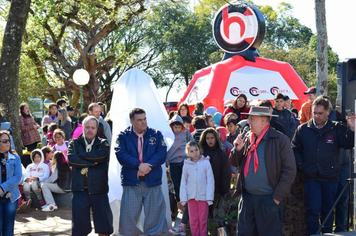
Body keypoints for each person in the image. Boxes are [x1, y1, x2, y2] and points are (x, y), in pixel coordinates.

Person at [292, 96, 355, 235]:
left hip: (330, 177)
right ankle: (313, 234)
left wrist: (351, 129)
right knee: (313, 209)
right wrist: (301, 165)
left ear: (328, 112)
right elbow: (295, 149)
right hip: (311, 176)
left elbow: (347, 144)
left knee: (328, 210)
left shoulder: (337, 128)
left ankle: (327, 234)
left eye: (320, 113)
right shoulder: (303, 129)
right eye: (314, 113)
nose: (317, 116)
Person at [230, 106, 296, 235]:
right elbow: (233, 162)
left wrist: (276, 198)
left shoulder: (280, 140)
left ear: (263, 120)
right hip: (248, 199)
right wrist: (237, 150)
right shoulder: (247, 137)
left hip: (268, 199)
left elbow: (290, 171)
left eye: (252, 119)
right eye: (249, 118)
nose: (248, 122)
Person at [115, 108, 168, 235]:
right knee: (128, 218)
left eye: (145, 119)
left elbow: (161, 153)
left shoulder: (156, 134)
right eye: (139, 120)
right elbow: (121, 154)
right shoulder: (123, 136)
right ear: (131, 121)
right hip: (132, 181)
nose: (143, 122)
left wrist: (146, 167)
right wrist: (138, 165)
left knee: (155, 217)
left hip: (152, 181)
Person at [68, 116, 113, 236]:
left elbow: (101, 156)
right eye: (87, 127)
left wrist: (81, 155)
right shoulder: (74, 143)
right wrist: (92, 162)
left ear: (97, 129)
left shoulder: (104, 143)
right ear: (82, 127)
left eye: (93, 127)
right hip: (79, 189)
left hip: (99, 189)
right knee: (79, 227)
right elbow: (72, 160)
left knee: (104, 226)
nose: (90, 130)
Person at [180, 141, 214, 236]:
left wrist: (209, 197)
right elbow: (183, 182)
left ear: (200, 150)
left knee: (203, 220)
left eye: (196, 150)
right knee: (193, 220)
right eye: (191, 151)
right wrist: (183, 198)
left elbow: (210, 181)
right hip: (191, 197)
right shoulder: (186, 165)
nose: (195, 153)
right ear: (188, 153)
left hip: (203, 197)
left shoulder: (206, 163)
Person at [199, 128, 231, 218]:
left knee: (217, 217)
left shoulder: (222, 154)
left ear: (216, 138)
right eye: (207, 138)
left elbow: (226, 174)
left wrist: (225, 191)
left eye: (212, 138)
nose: (210, 140)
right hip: (202, 191)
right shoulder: (200, 154)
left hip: (217, 191)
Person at [166, 114, 194, 213]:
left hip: (184, 161)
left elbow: (191, 141)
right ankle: (179, 203)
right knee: (176, 184)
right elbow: (165, 147)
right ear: (171, 126)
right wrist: (166, 161)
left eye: (179, 127)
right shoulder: (168, 133)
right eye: (175, 127)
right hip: (173, 162)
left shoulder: (185, 131)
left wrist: (191, 155)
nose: (177, 129)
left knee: (186, 183)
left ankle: (187, 203)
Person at [0, 130, 22, 235]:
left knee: (9, 229)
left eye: (8, 140)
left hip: (11, 197)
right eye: (4, 141)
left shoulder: (15, 158)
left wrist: (3, 189)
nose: (7, 143)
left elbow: (17, 177)